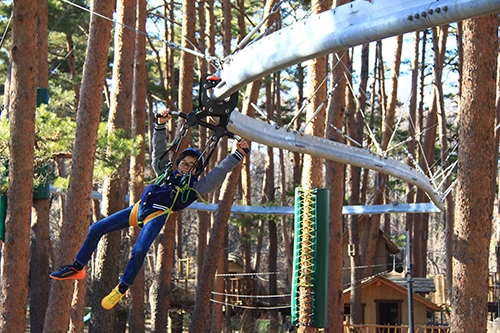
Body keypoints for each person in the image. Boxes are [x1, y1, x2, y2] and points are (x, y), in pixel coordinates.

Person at [50, 109, 250, 310]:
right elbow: (159, 150)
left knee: (139, 249)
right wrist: (160, 124)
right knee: (96, 228)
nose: (184, 167)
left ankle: (121, 288)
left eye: (190, 165)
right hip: (137, 209)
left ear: (196, 170)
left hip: (156, 215)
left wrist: (238, 154)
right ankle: (77, 267)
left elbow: (219, 171)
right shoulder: (165, 173)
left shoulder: (195, 187)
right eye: (183, 162)